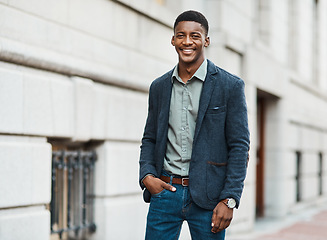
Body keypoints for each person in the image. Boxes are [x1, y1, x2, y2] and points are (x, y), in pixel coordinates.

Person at [139, 10, 250, 240]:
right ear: (173, 40)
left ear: (206, 40)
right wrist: (147, 176)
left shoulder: (230, 86)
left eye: (195, 36)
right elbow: (150, 138)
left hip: (209, 198)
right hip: (165, 192)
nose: (187, 41)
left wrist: (229, 199)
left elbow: (240, 146)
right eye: (181, 35)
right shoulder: (159, 87)